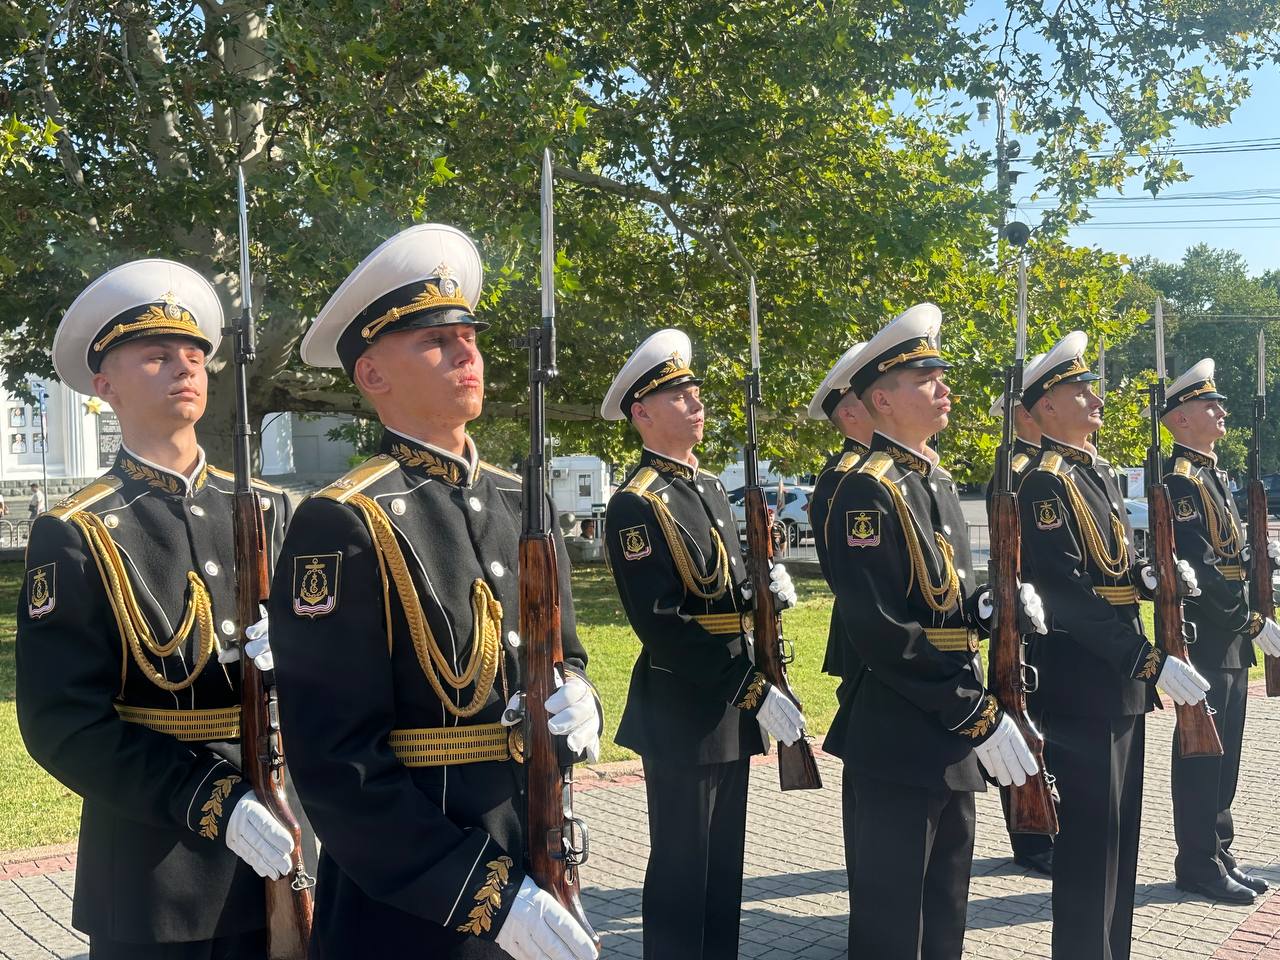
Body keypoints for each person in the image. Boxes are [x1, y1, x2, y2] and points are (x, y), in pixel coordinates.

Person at [269, 224, 600, 960]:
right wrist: (481, 892)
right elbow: (335, 762)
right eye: (433, 342)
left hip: (534, 847)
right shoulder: (344, 521)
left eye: (469, 339)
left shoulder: (523, 503)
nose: (465, 355)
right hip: (413, 900)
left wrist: (579, 692)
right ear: (372, 377)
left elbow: (561, 652)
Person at [16, 259, 298, 958]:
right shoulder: (76, 532)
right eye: (156, 355)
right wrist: (211, 797)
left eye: (195, 355)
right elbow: (62, 725)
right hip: (154, 873)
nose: (185, 367)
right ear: (104, 386)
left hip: (285, 846)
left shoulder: (268, 510)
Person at [825, 303, 1045, 959]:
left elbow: (938, 600)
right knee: (894, 924)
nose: (944, 388)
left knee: (946, 907)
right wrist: (974, 713)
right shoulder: (865, 491)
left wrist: (985, 608)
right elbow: (880, 629)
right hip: (898, 730)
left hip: (947, 729)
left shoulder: (936, 483)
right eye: (927, 379)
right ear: (883, 400)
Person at [601, 328, 800, 960]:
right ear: (643, 413)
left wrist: (764, 590)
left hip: (731, 700)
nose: (697, 404)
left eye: (695, 393)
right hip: (683, 704)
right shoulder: (636, 503)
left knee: (724, 868)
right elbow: (661, 621)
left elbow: (723, 587)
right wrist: (748, 685)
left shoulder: (709, 487)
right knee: (683, 870)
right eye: (680, 395)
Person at [1016, 330, 1207, 960]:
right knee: (1089, 848)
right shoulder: (1044, 484)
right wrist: (1147, 660)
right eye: (1079, 390)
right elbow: (1066, 594)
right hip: (1081, 680)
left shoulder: (1090, 473)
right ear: (1045, 406)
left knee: (1120, 842)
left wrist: (1147, 579)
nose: (1094, 399)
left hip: (1119, 681)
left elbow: (1109, 572)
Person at [1159, 358, 1280, 903]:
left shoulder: (1211, 475)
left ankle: (1219, 851)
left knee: (1225, 753)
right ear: (1180, 419)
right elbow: (1201, 571)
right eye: (1208, 404)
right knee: (1202, 754)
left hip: (1227, 635)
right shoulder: (1181, 484)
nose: (1220, 411)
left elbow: (1229, 557)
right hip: (1208, 633)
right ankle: (1198, 863)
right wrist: (1252, 618)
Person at [804, 340, 873, 896]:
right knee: (868, 753)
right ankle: (866, 877)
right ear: (848, 412)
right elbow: (847, 571)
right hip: (863, 630)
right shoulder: (844, 479)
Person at [984, 352, 1055, 877]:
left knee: (1039, 726)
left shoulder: (1041, 466)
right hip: (1026, 624)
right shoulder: (1014, 472)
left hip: (1047, 621)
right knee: (1024, 720)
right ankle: (1029, 837)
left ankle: (1042, 822)